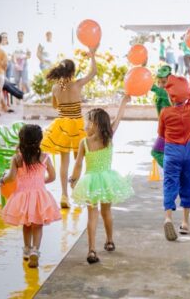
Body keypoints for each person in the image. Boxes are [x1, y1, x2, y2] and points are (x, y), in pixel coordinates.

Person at [70, 96, 134, 264]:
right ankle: (110, 241)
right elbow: (118, 119)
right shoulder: (109, 138)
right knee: (106, 212)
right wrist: (123, 102)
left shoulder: (84, 143)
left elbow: (77, 165)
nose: (84, 126)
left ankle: (91, 250)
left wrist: (73, 180)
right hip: (107, 181)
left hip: (91, 182)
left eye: (87, 122)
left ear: (95, 125)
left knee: (92, 216)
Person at [41, 47, 98, 208]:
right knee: (81, 160)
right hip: (77, 125)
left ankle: (64, 196)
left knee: (64, 163)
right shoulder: (77, 84)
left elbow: (55, 106)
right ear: (72, 72)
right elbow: (93, 72)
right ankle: (80, 191)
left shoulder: (55, 88)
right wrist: (92, 56)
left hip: (62, 126)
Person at [0, 124, 61, 269]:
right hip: (39, 195)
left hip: (22, 196)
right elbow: (52, 177)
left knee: (26, 224)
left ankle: (26, 250)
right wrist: (40, 181)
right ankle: (35, 250)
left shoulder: (17, 158)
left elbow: (11, 177)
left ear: (21, 139)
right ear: (39, 140)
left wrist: (2, 180)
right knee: (38, 225)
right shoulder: (44, 157)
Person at [159, 52, 190, 241]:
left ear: (170, 96)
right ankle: (185, 223)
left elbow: (161, 134)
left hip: (172, 151)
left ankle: (168, 217)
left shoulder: (165, 112)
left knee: (170, 183)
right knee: (187, 183)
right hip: (189, 151)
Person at [150, 64, 172, 168]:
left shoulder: (170, 93)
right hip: (164, 130)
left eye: (164, 82)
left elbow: (161, 92)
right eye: (159, 82)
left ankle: (172, 170)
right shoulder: (160, 93)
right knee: (158, 152)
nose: (161, 84)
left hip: (170, 130)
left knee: (156, 152)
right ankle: (173, 171)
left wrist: (151, 86)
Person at [12, 31, 31, 95]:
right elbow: (13, 55)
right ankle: (18, 95)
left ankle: (29, 93)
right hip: (16, 64)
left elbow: (29, 55)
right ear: (17, 36)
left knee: (25, 81)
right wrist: (15, 63)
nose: (20, 37)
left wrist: (23, 57)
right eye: (19, 35)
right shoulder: (14, 45)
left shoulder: (26, 45)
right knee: (16, 80)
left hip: (24, 64)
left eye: (21, 35)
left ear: (23, 36)